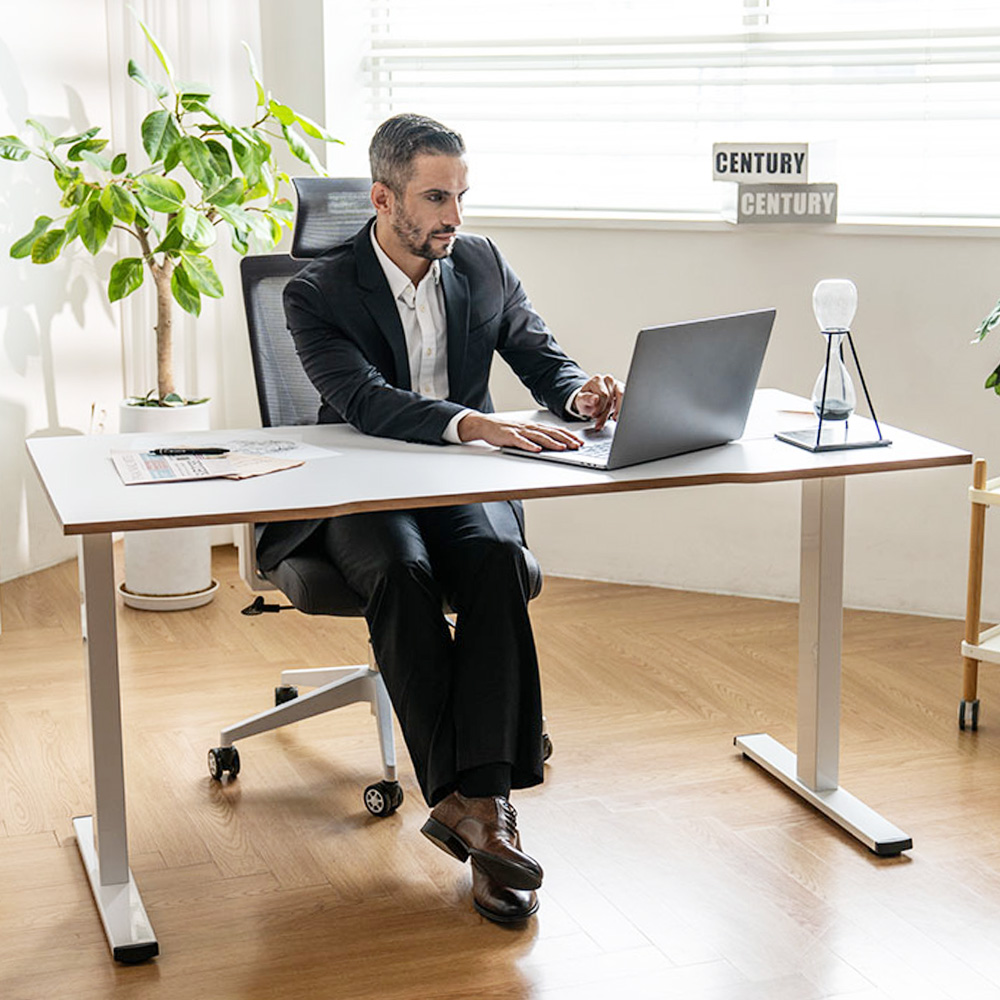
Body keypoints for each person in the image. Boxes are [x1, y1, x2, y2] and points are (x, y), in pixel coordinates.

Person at [257, 113, 622, 924]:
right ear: (384, 199)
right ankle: (474, 806)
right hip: (356, 483)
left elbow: (539, 352)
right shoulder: (316, 290)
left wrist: (576, 394)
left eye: (460, 194)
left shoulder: (482, 263)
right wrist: (472, 422)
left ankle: (479, 812)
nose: (454, 215)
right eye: (435, 196)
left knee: (495, 563)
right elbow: (360, 399)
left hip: (458, 479)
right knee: (401, 569)